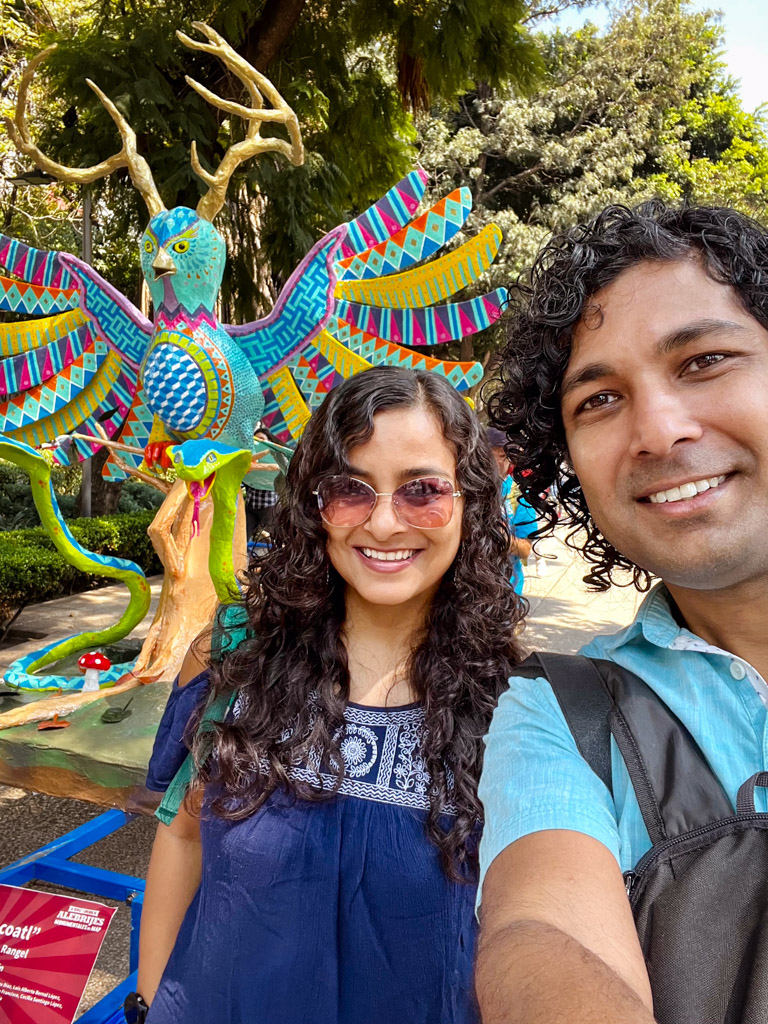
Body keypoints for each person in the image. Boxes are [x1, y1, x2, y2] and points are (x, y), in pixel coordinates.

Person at [133, 366, 523, 1024]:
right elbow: (183, 834)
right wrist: (148, 1002)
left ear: (469, 503)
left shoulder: (513, 702)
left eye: (422, 491)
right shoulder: (233, 653)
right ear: (315, 502)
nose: (384, 522)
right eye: (351, 490)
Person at [474, 201, 768, 1023]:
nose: (660, 430)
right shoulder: (561, 716)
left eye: (706, 360)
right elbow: (538, 930)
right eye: (598, 400)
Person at [486, 427, 538, 594]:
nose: (497, 462)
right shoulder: (468, 490)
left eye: (502, 456)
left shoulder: (519, 495)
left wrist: (503, 538)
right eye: (490, 455)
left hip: (507, 595)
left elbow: (525, 550)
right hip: (468, 597)